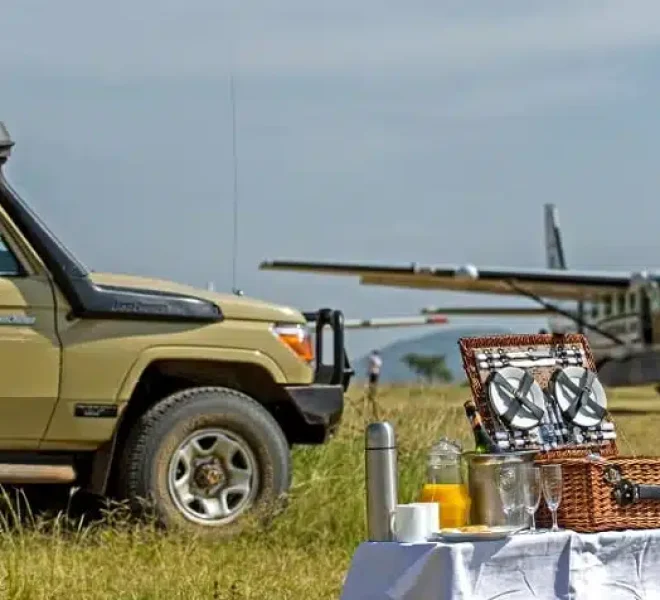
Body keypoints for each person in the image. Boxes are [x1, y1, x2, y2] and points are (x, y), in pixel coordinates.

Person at [366, 350, 383, 420]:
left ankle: (372, 393)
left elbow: (370, 365)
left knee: (372, 384)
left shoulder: (372, 358)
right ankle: (373, 393)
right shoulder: (378, 359)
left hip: (373, 372)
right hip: (375, 372)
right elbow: (378, 365)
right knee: (374, 384)